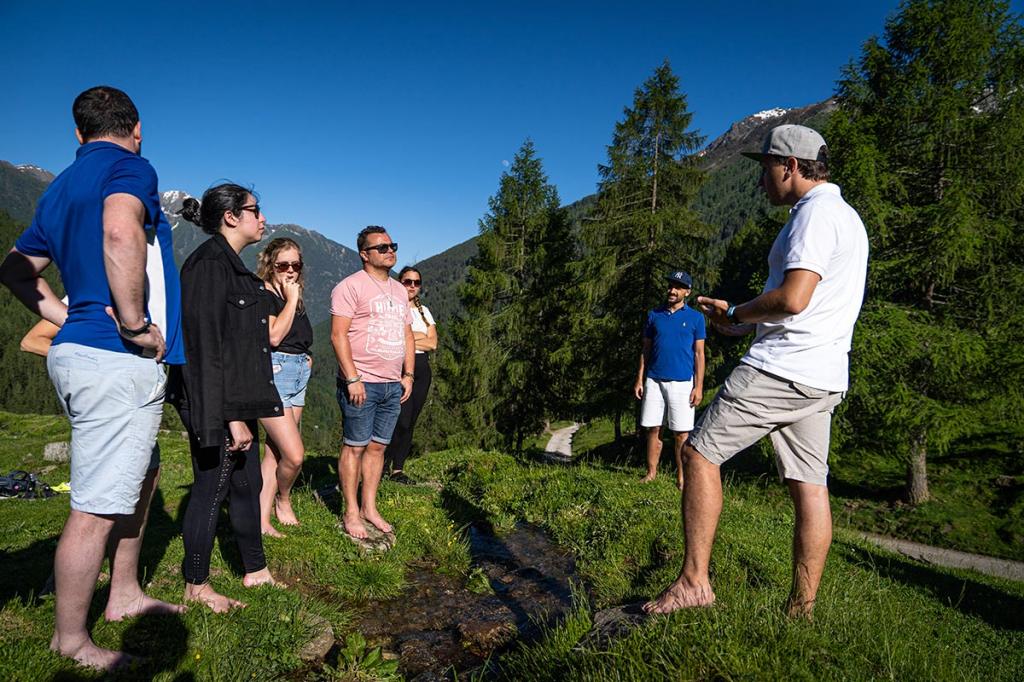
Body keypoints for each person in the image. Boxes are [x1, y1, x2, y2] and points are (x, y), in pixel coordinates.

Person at [644, 124, 869, 619]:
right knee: (810, 486)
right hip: (824, 375)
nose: (760, 180)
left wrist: (736, 315)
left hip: (782, 367)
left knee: (700, 456)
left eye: (765, 167)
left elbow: (793, 299)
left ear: (790, 166)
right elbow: (815, 304)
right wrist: (742, 320)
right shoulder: (847, 218)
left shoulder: (812, 216)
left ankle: (693, 583)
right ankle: (801, 608)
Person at [0, 85, 185, 671]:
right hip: (115, 357)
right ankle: (71, 641)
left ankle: (124, 594)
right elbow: (118, 231)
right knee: (95, 506)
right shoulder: (131, 167)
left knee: (144, 469)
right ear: (136, 128)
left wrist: (65, 315)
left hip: (85, 352)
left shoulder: (59, 187)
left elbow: (14, 269)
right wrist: (134, 325)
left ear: (78, 134)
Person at [173, 184, 285, 613]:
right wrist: (226, 418)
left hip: (235, 400)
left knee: (247, 483)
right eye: (255, 211)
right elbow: (203, 350)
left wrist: (240, 411)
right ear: (231, 217)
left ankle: (255, 570)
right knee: (211, 487)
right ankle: (196, 585)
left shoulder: (233, 266)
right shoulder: (207, 267)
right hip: (212, 400)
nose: (263, 219)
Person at [330, 226, 415, 539]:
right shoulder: (349, 287)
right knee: (355, 447)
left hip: (393, 384)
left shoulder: (398, 289)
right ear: (364, 254)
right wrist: (352, 378)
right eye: (381, 247)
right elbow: (338, 335)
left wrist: (408, 375)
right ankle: (351, 511)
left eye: (392, 245)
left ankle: (369, 507)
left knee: (378, 447)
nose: (390, 250)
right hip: (362, 382)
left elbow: (407, 334)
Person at [255, 238, 313, 536]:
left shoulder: (293, 294)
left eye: (295, 265)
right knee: (295, 455)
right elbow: (274, 336)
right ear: (270, 265)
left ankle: (262, 520)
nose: (290, 270)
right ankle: (284, 499)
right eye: (283, 265)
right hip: (275, 373)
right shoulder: (264, 295)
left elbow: (299, 334)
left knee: (275, 452)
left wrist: (308, 359)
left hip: (299, 371)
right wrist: (291, 300)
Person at [633, 270, 706, 489]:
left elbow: (699, 354)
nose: (672, 290)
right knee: (653, 428)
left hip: (683, 382)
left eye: (678, 287)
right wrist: (639, 379)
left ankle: (682, 479)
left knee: (681, 433)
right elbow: (645, 350)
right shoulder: (654, 315)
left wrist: (699, 386)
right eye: (670, 286)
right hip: (654, 380)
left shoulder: (695, 318)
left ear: (687, 292)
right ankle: (651, 472)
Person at [384, 266, 437, 484]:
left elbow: (433, 343)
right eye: (407, 282)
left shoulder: (423, 311)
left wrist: (410, 337)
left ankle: (398, 469)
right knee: (400, 419)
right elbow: (395, 337)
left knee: (411, 420)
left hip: (423, 368)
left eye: (416, 282)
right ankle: (380, 464)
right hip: (400, 366)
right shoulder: (391, 307)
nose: (412, 286)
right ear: (399, 282)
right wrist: (417, 337)